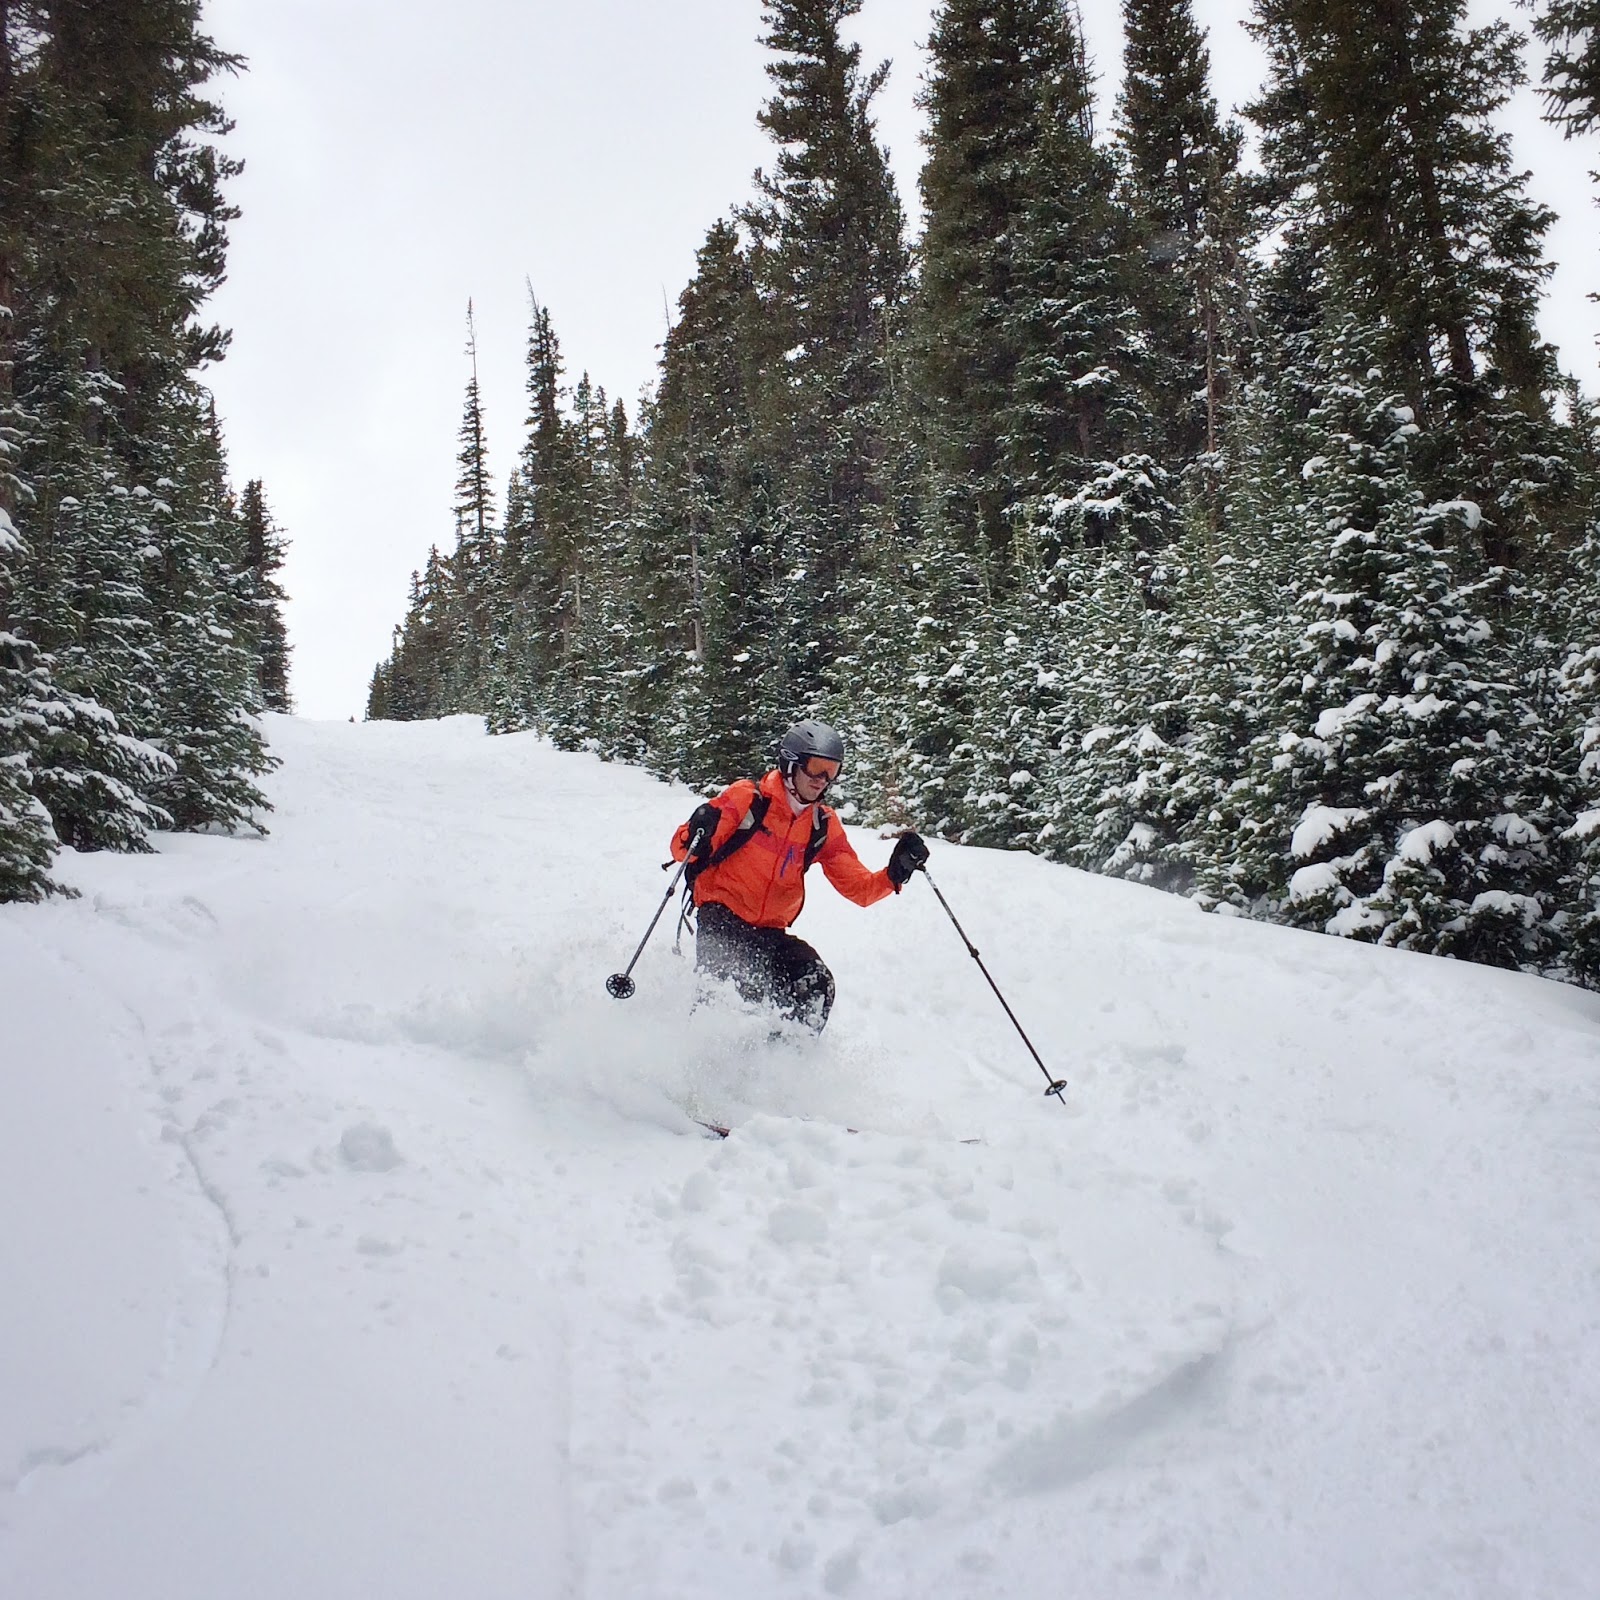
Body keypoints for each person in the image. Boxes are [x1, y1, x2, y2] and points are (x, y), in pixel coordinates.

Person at [669, 719, 928, 1032]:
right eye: (816, 767)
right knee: (734, 999)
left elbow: (859, 889)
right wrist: (698, 829)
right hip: (722, 919)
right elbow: (683, 852)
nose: (823, 780)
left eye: (832, 771)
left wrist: (894, 874)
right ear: (790, 763)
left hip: (769, 932)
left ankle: (784, 1068)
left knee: (815, 985)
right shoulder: (747, 799)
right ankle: (697, 1063)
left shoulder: (821, 824)